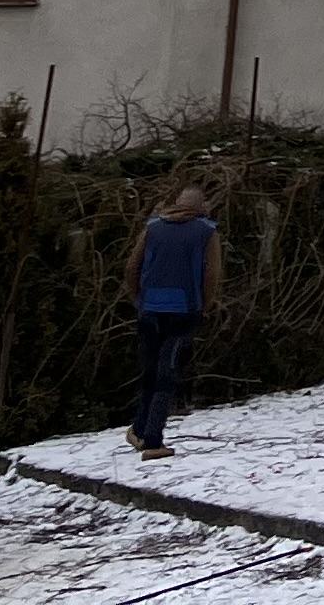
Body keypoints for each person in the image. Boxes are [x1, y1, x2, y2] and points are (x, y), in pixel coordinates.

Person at [125, 183, 222, 458]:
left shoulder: (153, 227)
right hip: (184, 310)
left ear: (177, 203)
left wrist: (137, 298)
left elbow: (132, 265)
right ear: (201, 206)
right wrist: (205, 303)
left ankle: (140, 430)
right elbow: (212, 275)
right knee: (166, 375)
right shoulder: (206, 231)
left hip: (150, 308)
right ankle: (153, 441)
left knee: (150, 370)